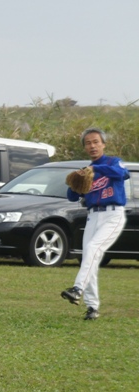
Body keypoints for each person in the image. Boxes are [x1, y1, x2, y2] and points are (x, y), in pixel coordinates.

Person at [60, 128, 128, 320]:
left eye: (96, 142)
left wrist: (96, 169)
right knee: (90, 258)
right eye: (88, 143)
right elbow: (73, 197)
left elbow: (121, 174)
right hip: (93, 216)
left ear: (103, 144)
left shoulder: (112, 162)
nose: (92, 145)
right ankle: (92, 307)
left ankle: (77, 288)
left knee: (92, 248)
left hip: (113, 215)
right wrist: (75, 182)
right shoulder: (86, 171)